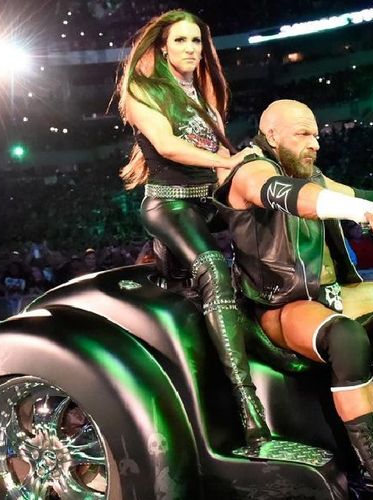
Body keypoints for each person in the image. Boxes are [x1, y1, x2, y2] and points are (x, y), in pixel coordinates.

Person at [217, 99, 373, 499]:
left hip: (333, 294)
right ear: (272, 135)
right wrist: (360, 211)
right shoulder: (249, 170)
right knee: (346, 337)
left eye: (316, 135)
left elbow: (369, 196)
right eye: (303, 134)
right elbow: (291, 196)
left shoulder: (311, 175)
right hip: (280, 305)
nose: (315, 143)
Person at [115, 10, 270, 448]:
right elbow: (167, 146)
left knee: (271, 222)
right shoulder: (141, 90)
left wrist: (251, 171)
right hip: (170, 203)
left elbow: (222, 166)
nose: (190, 49)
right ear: (163, 46)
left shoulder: (204, 99)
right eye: (181, 40)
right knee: (215, 269)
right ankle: (247, 405)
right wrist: (228, 159)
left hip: (207, 201)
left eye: (197, 41)